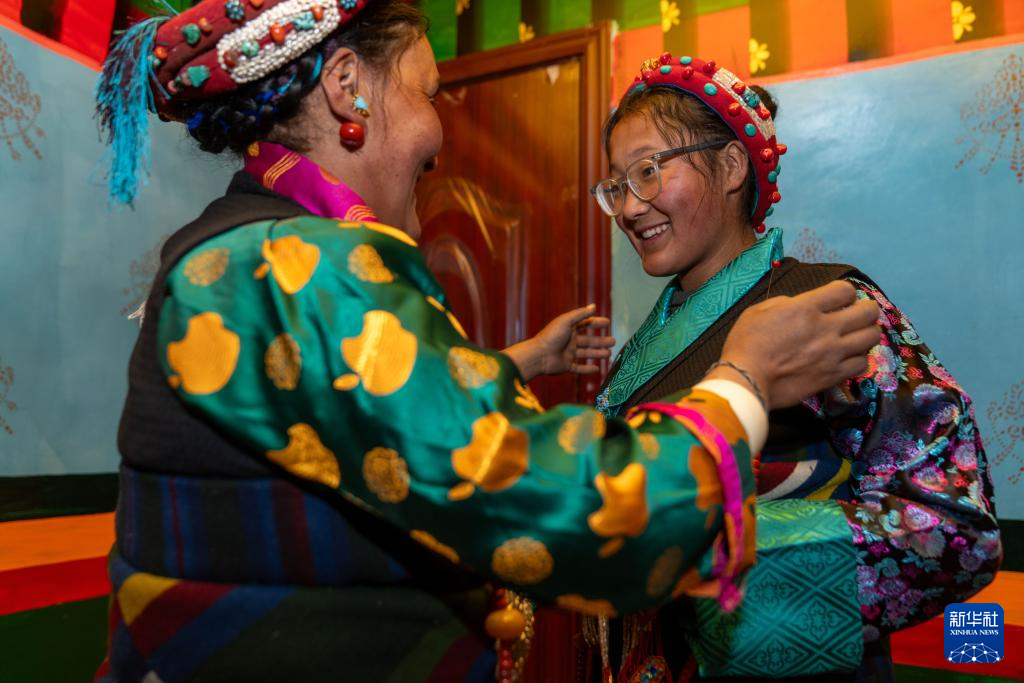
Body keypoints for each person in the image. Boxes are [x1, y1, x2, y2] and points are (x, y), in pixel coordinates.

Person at [93, 3, 880, 681]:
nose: (441, 131)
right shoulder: (295, 264)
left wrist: (526, 360)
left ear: (734, 167)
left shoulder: (248, 251)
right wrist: (746, 377)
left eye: (650, 171)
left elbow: (370, 417)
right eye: (429, 91)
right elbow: (570, 505)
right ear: (346, 86)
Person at [587, 53, 1002, 681]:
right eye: (616, 185)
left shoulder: (827, 305)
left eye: (648, 170)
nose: (628, 207)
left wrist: (719, 569)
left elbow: (952, 525)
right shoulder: (639, 351)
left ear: (732, 166)